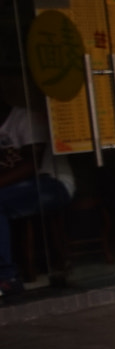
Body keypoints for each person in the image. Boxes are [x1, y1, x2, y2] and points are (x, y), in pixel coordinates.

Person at [0, 96, 73, 300]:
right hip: (15, 189)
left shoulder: (26, 119)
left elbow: (32, 165)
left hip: (53, 182)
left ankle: (7, 278)